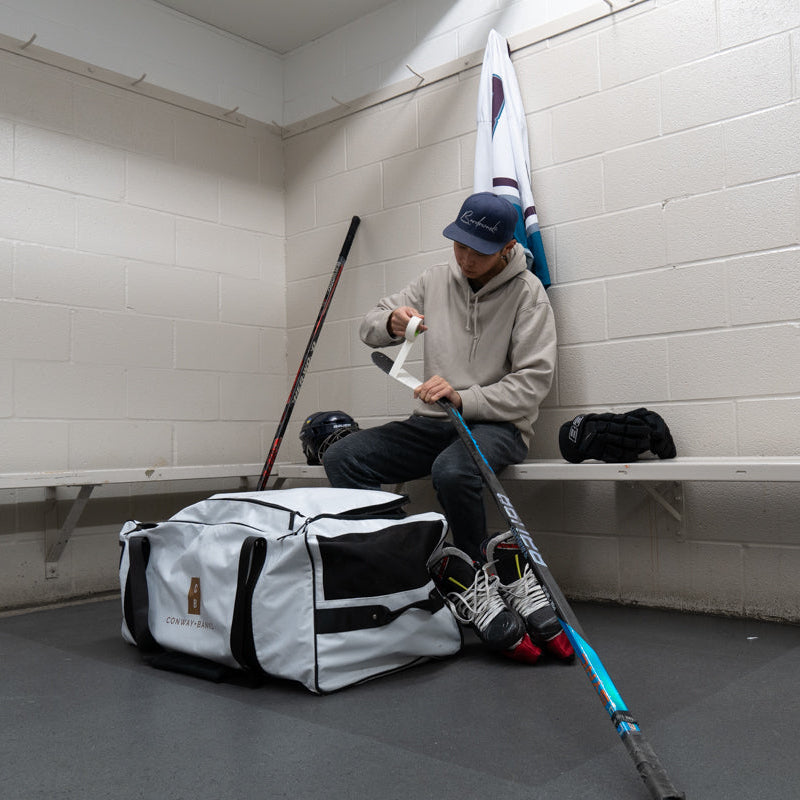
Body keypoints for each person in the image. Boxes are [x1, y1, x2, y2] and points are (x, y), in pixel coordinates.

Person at [323, 192, 571, 664]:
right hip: (434, 421)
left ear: (505, 247)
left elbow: (533, 384)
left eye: (478, 250)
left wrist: (465, 397)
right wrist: (393, 322)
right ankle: (410, 569)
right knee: (343, 456)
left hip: (497, 424)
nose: (465, 258)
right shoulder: (437, 280)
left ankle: (477, 580)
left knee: (453, 471)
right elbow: (370, 326)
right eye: (459, 245)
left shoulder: (528, 294)